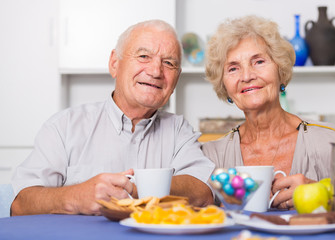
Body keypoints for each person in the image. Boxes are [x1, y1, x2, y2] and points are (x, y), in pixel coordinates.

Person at [11, 19, 215, 216]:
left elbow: (202, 192)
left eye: (169, 63)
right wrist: (75, 196)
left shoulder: (180, 131)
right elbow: (20, 206)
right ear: (114, 63)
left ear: (176, 78)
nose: (155, 71)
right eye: (144, 56)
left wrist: (132, 189)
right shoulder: (63, 126)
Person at [202, 15, 335, 210]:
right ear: (224, 86)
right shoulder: (212, 155)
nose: (247, 76)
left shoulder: (325, 141)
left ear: (280, 71)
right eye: (233, 68)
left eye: (258, 62)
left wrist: (322, 192)